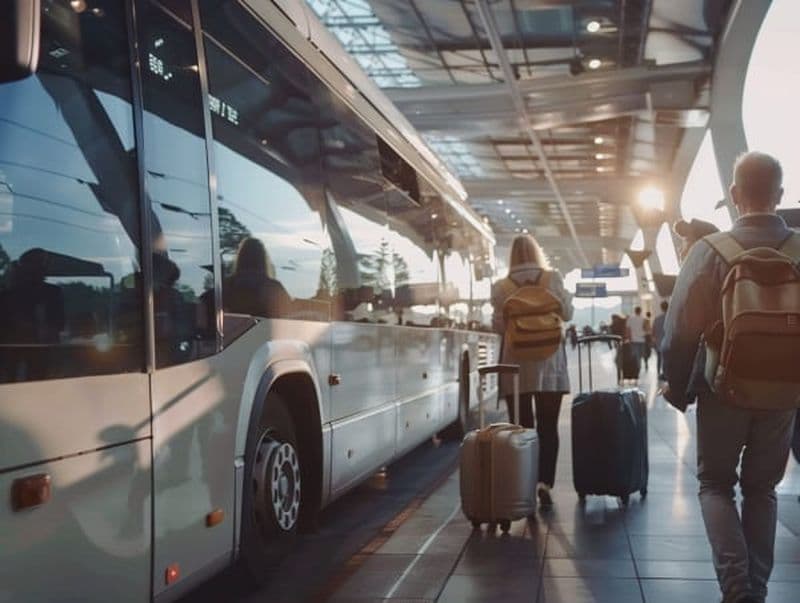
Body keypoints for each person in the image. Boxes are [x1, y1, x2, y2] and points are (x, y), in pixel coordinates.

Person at [662, 151, 797, 603]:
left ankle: (737, 588)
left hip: (723, 387)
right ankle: (756, 587)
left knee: (716, 484)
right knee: (763, 489)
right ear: (779, 194)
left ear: (735, 195)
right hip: (784, 392)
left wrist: (676, 384)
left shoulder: (710, 250)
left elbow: (680, 329)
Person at [491, 234, 573, 507]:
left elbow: (499, 326)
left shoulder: (501, 286)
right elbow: (567, 313)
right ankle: (544, 483)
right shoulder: (552, 278)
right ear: (537, 252)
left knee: (521, 428)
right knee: (548, 426)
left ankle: (524, 484)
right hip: (550, 364)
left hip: (515, 365)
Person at [224, 237, 291, 318]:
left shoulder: (226, 286)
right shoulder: (273, 287)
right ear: (263, 258)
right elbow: (288, 315)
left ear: (240, 257)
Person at [651, 300, 669, 380]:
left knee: (659, 358)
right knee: (667, 358)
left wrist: (654, 340)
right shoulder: (670, 318)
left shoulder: (657, 319)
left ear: (661, 308)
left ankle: (658, 372)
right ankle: (666, 373)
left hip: (659, 342)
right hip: (668, 342)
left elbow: (653, 331)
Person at [627, 306, 646, 375]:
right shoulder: (643, 319)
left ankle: (638, 367)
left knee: (635, 355)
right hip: (642, 339)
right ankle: (639, 366)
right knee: (640, 355)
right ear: (640, 311)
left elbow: (628, 329)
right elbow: (646, 329)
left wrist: (629, 338)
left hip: (634, 340)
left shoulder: (630, 319)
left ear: (635, 311)